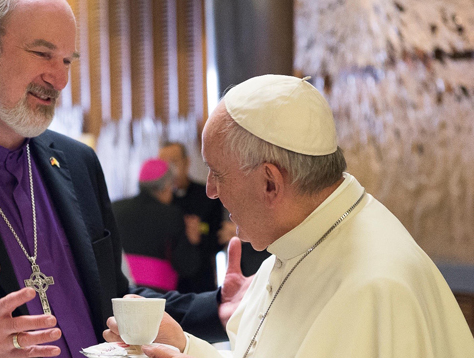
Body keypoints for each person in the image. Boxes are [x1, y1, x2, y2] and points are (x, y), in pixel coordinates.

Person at [0, 1, 235, 357]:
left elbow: (114, 297)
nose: (60, 79)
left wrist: (216, 307)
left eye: (67, 60)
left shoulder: (77, 162)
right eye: (43, 53)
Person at [104, 74, 474, 357]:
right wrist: (184, 346)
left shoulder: (374, 288)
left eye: (218, 173)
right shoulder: (303, 239)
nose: (211, 191)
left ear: (270, 183)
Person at [113, 158, 201, 292]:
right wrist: (193, 241)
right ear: (167, 186)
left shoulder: (115, 208)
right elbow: (186, 266)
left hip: (120, 289)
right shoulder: (172, 214)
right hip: (157, 296)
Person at [158, 142, 225, 293]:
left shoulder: (207, 195)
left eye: (173, 161)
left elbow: (218, 241)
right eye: (163, 163)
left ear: (186, 162)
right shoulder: (158, 202)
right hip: (165, 285)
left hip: (200, 283)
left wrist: (198, 238)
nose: (169, 168)